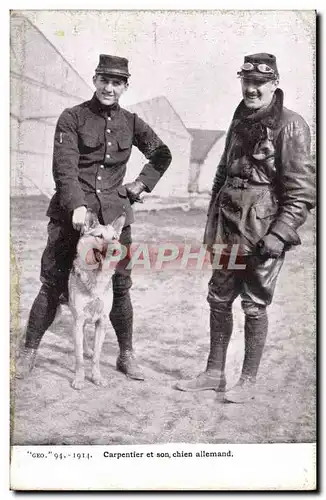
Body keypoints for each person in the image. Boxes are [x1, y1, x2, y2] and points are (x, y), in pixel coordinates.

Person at [16, 54, 172, 380]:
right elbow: (65, 166)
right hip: (71, 218)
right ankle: (28, 351)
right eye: (104, 80)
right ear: (95, 80)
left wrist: (139, 185)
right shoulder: (72, 117)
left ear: (126, 86)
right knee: (53, 284)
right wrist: (76, 204)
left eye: (117, 82)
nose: (109, 88)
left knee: (120, 286)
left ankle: (126, 355)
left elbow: (161, 153)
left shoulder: (131, 122)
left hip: (115, 220)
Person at [176, 53, 315, 402]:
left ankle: (248, 382)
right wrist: (212, 227)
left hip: (261, 231)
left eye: (260, 83)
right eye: (247, 82)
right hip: (228, 227)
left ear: (275, 84)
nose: (252, 89)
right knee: (218, 299)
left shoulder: (291, 125)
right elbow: (222, 174)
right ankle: (214, 373)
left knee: (254, 304)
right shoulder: (240, 119)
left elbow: (302, 191)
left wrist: (279, 234)